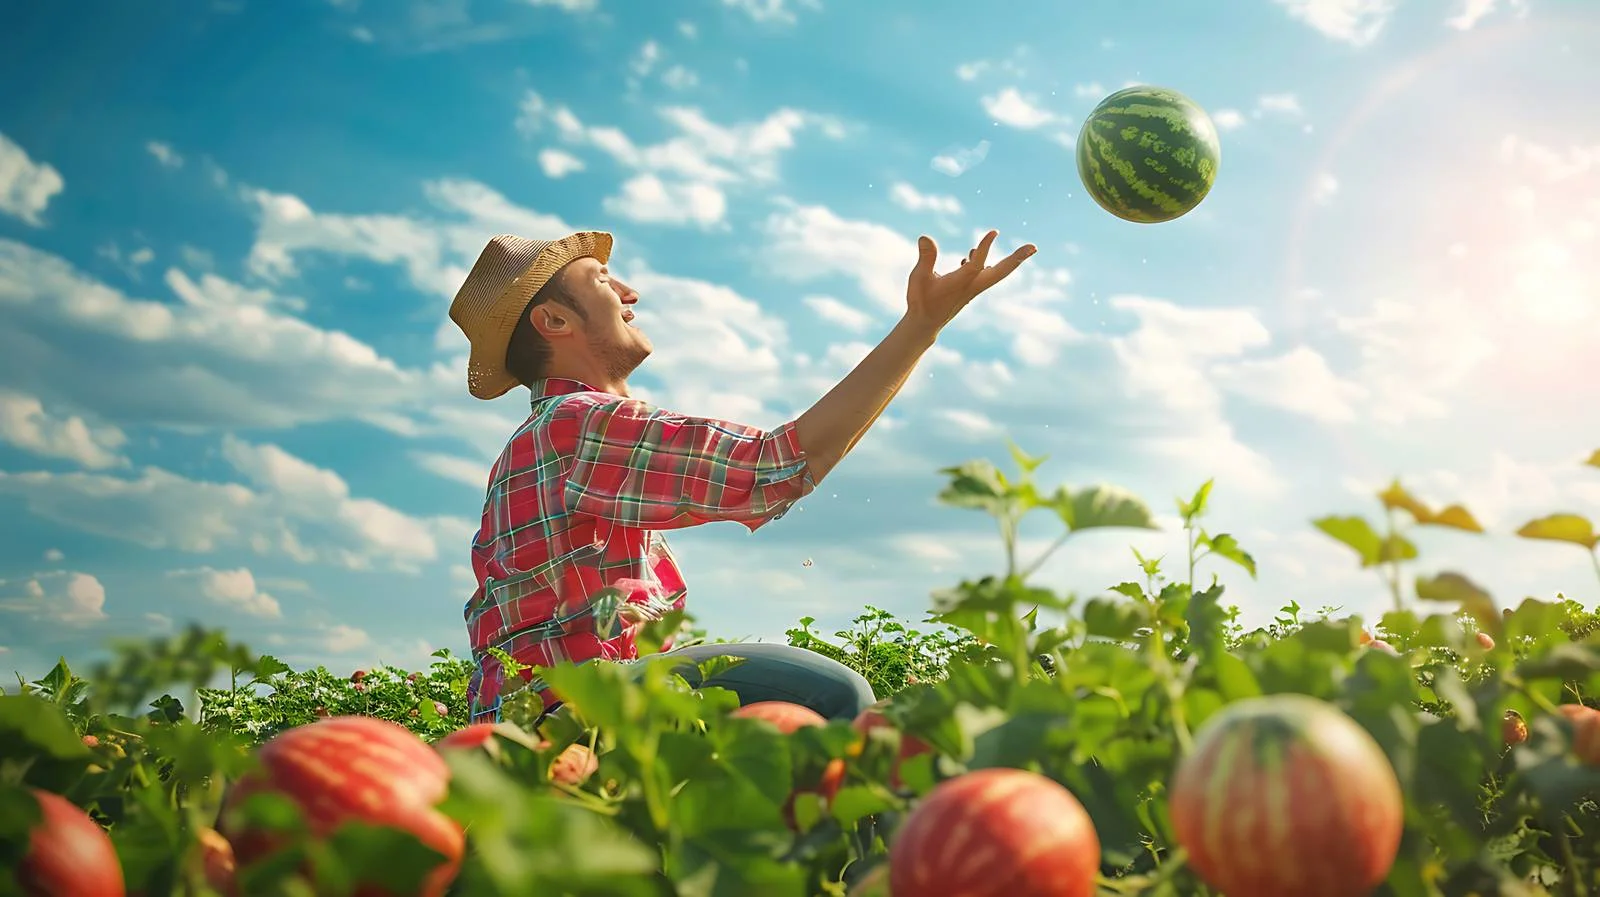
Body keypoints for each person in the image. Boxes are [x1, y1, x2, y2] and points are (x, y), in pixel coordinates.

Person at [447, 228, 1036, 726]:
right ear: (553, 320)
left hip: (534, 712)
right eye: (602, 280)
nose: (630, 294)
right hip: (576, 707)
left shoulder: (550, 437)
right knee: (832, 697)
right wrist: (921, 327)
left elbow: (787, 469)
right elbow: (776, 465)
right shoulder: (575, 427)